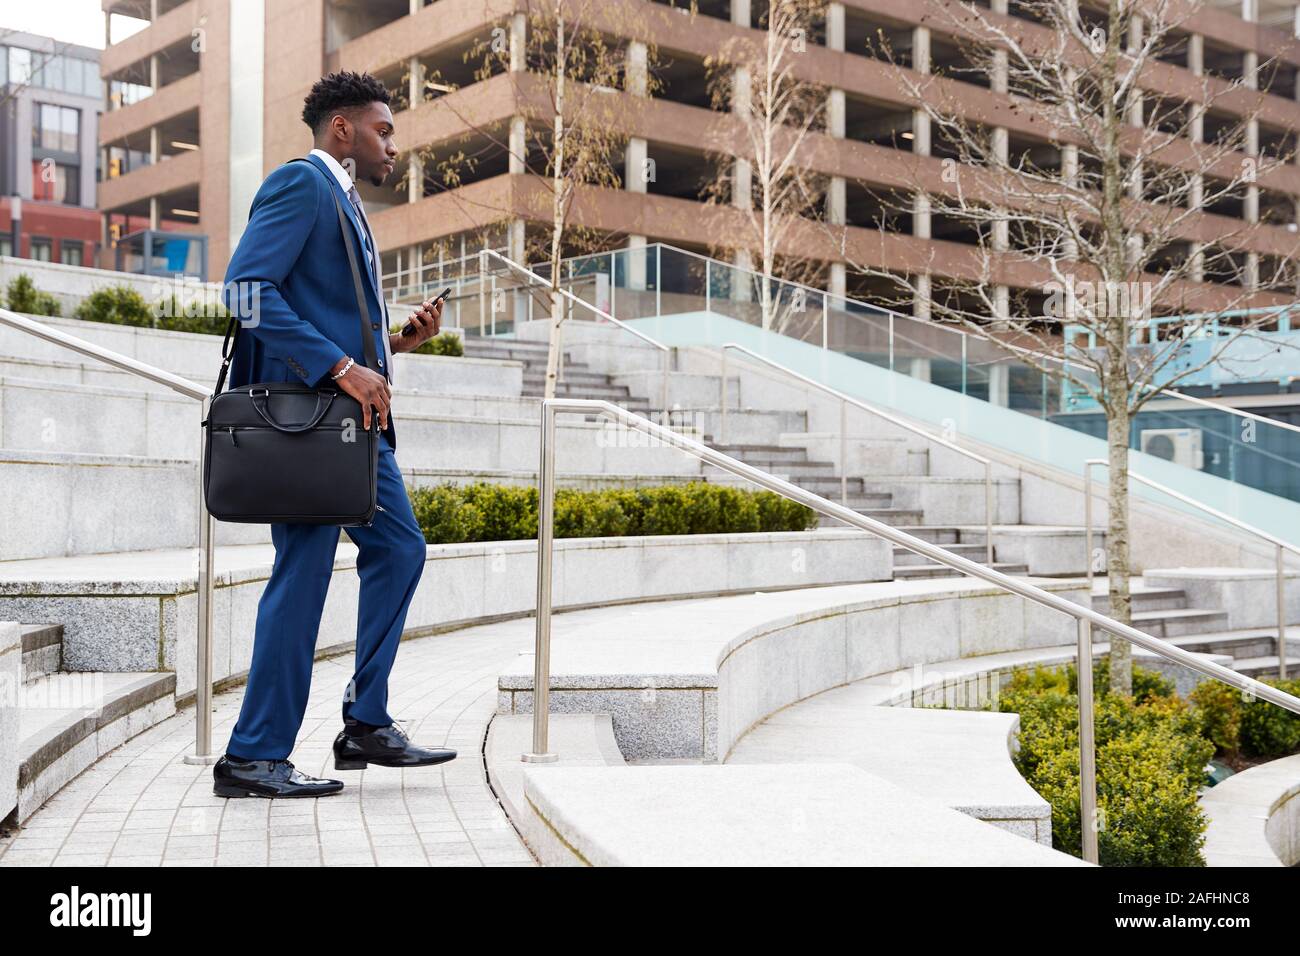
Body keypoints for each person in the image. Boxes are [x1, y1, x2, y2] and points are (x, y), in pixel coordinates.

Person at [212, 71, 455, 799]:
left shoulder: (344, 205)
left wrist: (393, 346)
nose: (392, 147)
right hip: (311, 426)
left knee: (401, 549)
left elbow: (320, 310)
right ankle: (253, 756)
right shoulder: (303, 184)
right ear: (342, 129)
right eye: (384, 131)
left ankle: (365, 724)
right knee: (305, 573)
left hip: (351, 426)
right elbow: (246, 290)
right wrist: (344, 366)